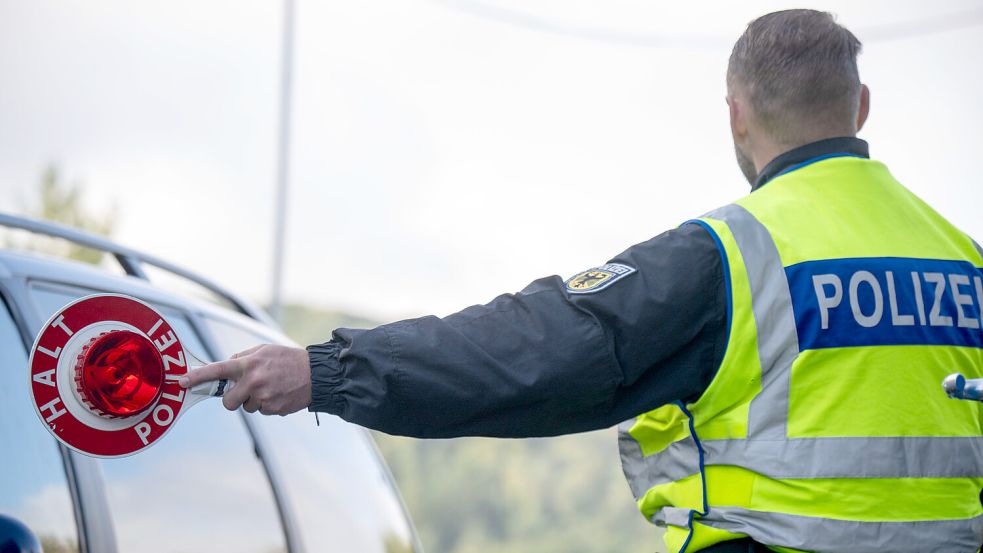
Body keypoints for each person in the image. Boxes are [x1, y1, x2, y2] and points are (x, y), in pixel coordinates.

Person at [181, 9, 983, 553]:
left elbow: (526, 351)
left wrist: (325, 369)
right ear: (861, 107)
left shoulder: (727, 255)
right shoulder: (964, 259)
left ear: (735, 114)